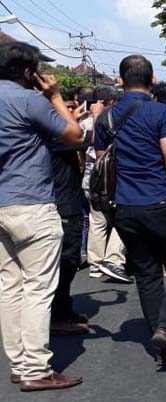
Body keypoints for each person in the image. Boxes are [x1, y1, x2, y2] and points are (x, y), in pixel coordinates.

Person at [95, 55, 166, 369]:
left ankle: (161, 344)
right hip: (159, 203)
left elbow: (103, 163)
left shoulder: (106, 119)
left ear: (121, 81)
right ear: (152, 81)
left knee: (147, 274)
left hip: (124, 207)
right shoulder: (162, 114)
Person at [0, 42, 85, 392]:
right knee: (38, 288)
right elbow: (75, 135)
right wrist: (54, 95)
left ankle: (19, 364)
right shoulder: (29, 100)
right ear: (27, 72)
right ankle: (36, 368)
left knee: (9, 287)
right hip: (32, 203)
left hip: (2, 204)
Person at [49, 89, 100, 335]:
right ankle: (58, 316)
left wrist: (75, 117)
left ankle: (62, 310)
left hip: (62, 200)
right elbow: (92, 137)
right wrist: (97, 116)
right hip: (63, 204)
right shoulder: (55, 134)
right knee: (67, 261)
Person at [85, 85, 131, 282]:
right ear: (111, 101)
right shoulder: (114, 119)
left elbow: (98, 155)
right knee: (123, 218)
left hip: (95, 178)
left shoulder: (88, 121)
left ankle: (94, 263)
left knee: (97, 221)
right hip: (117, 179)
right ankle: (113, 259)